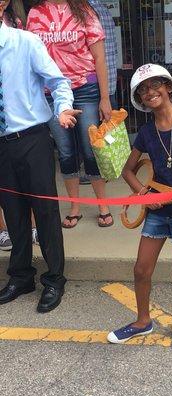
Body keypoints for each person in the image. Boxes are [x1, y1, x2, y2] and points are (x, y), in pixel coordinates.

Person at [107, 64, 172, 349]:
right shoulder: (145, 132)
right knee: (141, 270)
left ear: (168, 87)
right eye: (143, 90)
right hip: (157, 210)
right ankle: (142, 322)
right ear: (140, 99)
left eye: (154, 85)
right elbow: (128, 170)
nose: (149, 92)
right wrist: (143, 193)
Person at [0, 3, 81, 312]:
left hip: (31, 139)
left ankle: (54, 279)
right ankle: (20, 276)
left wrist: (62, 108)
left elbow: (58, 82)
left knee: (45, 212)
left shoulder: (26, 43)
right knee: (13, 212)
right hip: (1, 146)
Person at [27, 0, 113, 228]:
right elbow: (31, 59)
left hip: (85, 89)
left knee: (91, 149)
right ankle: (75, 206)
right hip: (51, 93)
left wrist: (105, 98)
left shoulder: (84, 10)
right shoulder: (35, 13)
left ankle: (102, 204)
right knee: (65, 151)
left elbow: (100, 58)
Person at [0, 0, 39, 251]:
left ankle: (32, 226)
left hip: (17, 124)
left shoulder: (19, 27)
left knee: (29, 184)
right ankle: (4, 229)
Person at [80, 0, 118, 186]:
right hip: (108, 80)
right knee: (107, 129)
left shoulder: (88, 10)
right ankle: (110, 166)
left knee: (96, 133)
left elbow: (96, 55)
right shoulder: (102, 8)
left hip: (97, 84)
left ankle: (102, 170)